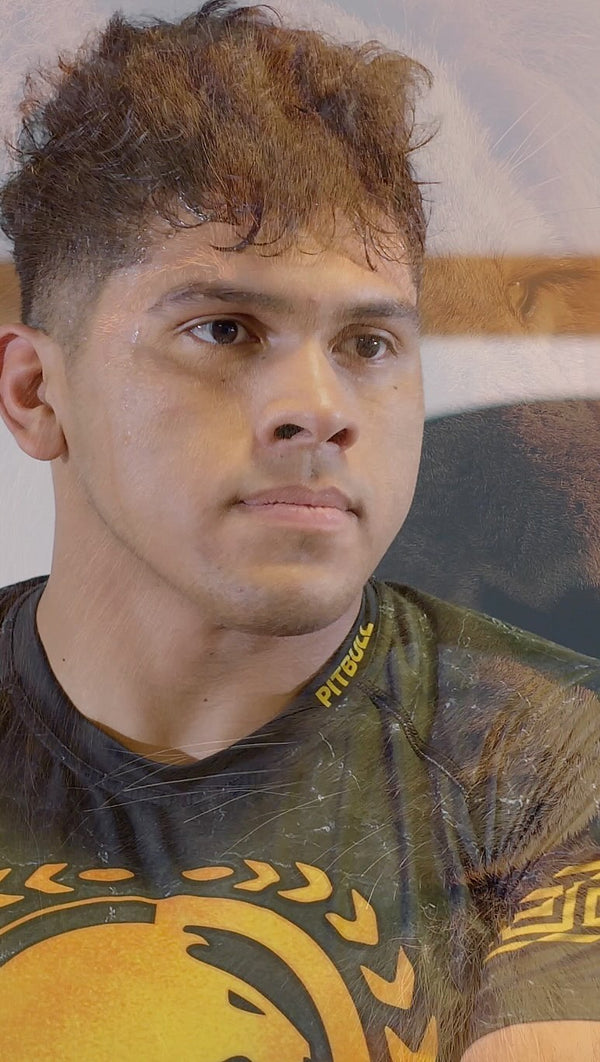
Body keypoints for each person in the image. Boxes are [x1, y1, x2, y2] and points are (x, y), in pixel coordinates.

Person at [0, 2, 599, 1059]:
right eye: (224, 329)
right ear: (37, 393)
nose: (319, 408)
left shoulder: (551, 764)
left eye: (368, 344)